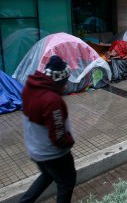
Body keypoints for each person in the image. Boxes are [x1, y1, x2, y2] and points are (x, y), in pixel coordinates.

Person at [19, 55, 76, 203]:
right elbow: (58, 136)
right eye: (65, 82)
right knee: (66, 182)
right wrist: (69, 141)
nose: (66, 86)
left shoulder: (30, 88)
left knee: (47, 175)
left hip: (35, 150)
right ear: (58, 82)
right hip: (53, 154)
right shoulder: (51, 101)